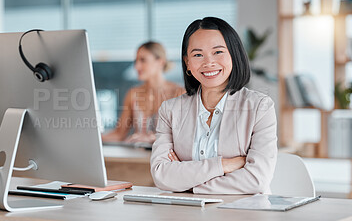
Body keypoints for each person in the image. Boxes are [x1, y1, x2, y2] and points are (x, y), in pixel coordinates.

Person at [150, 17, 278, 194]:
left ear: (233, 54)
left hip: (245, 212)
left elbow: (256, 180)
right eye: (197, 55)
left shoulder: (260, 107)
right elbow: (161, 175)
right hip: (185, 212)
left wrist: (187, 182)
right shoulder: (170, 110)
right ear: (187, 63)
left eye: (218, 52)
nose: (208, 62)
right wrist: (224, 165)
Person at [102, 41, 185, 144]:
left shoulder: (179, 93)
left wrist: (153, 139)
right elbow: (119, 134)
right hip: (138, 158)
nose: (137, 66)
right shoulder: (133, 94)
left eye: (143, 60)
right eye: (136, 61)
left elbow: (183, 136)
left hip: (167, 158)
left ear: (160, 61)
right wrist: (92, 137)